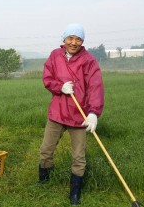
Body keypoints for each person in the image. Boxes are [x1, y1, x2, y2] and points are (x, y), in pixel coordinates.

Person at [38, 23, 104, 205]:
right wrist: (59, 87)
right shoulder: (55, 55)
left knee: (78, 156)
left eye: (78, 39)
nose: (74, 42)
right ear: (64, 39)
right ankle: (44, 182)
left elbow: (95, 87)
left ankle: (74, 193)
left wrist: (93, 113)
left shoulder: (89, 60)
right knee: (46, 150)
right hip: (57, 112)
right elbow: (47, 78)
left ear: (82, 41)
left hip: (79, 115)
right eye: (70, 38)